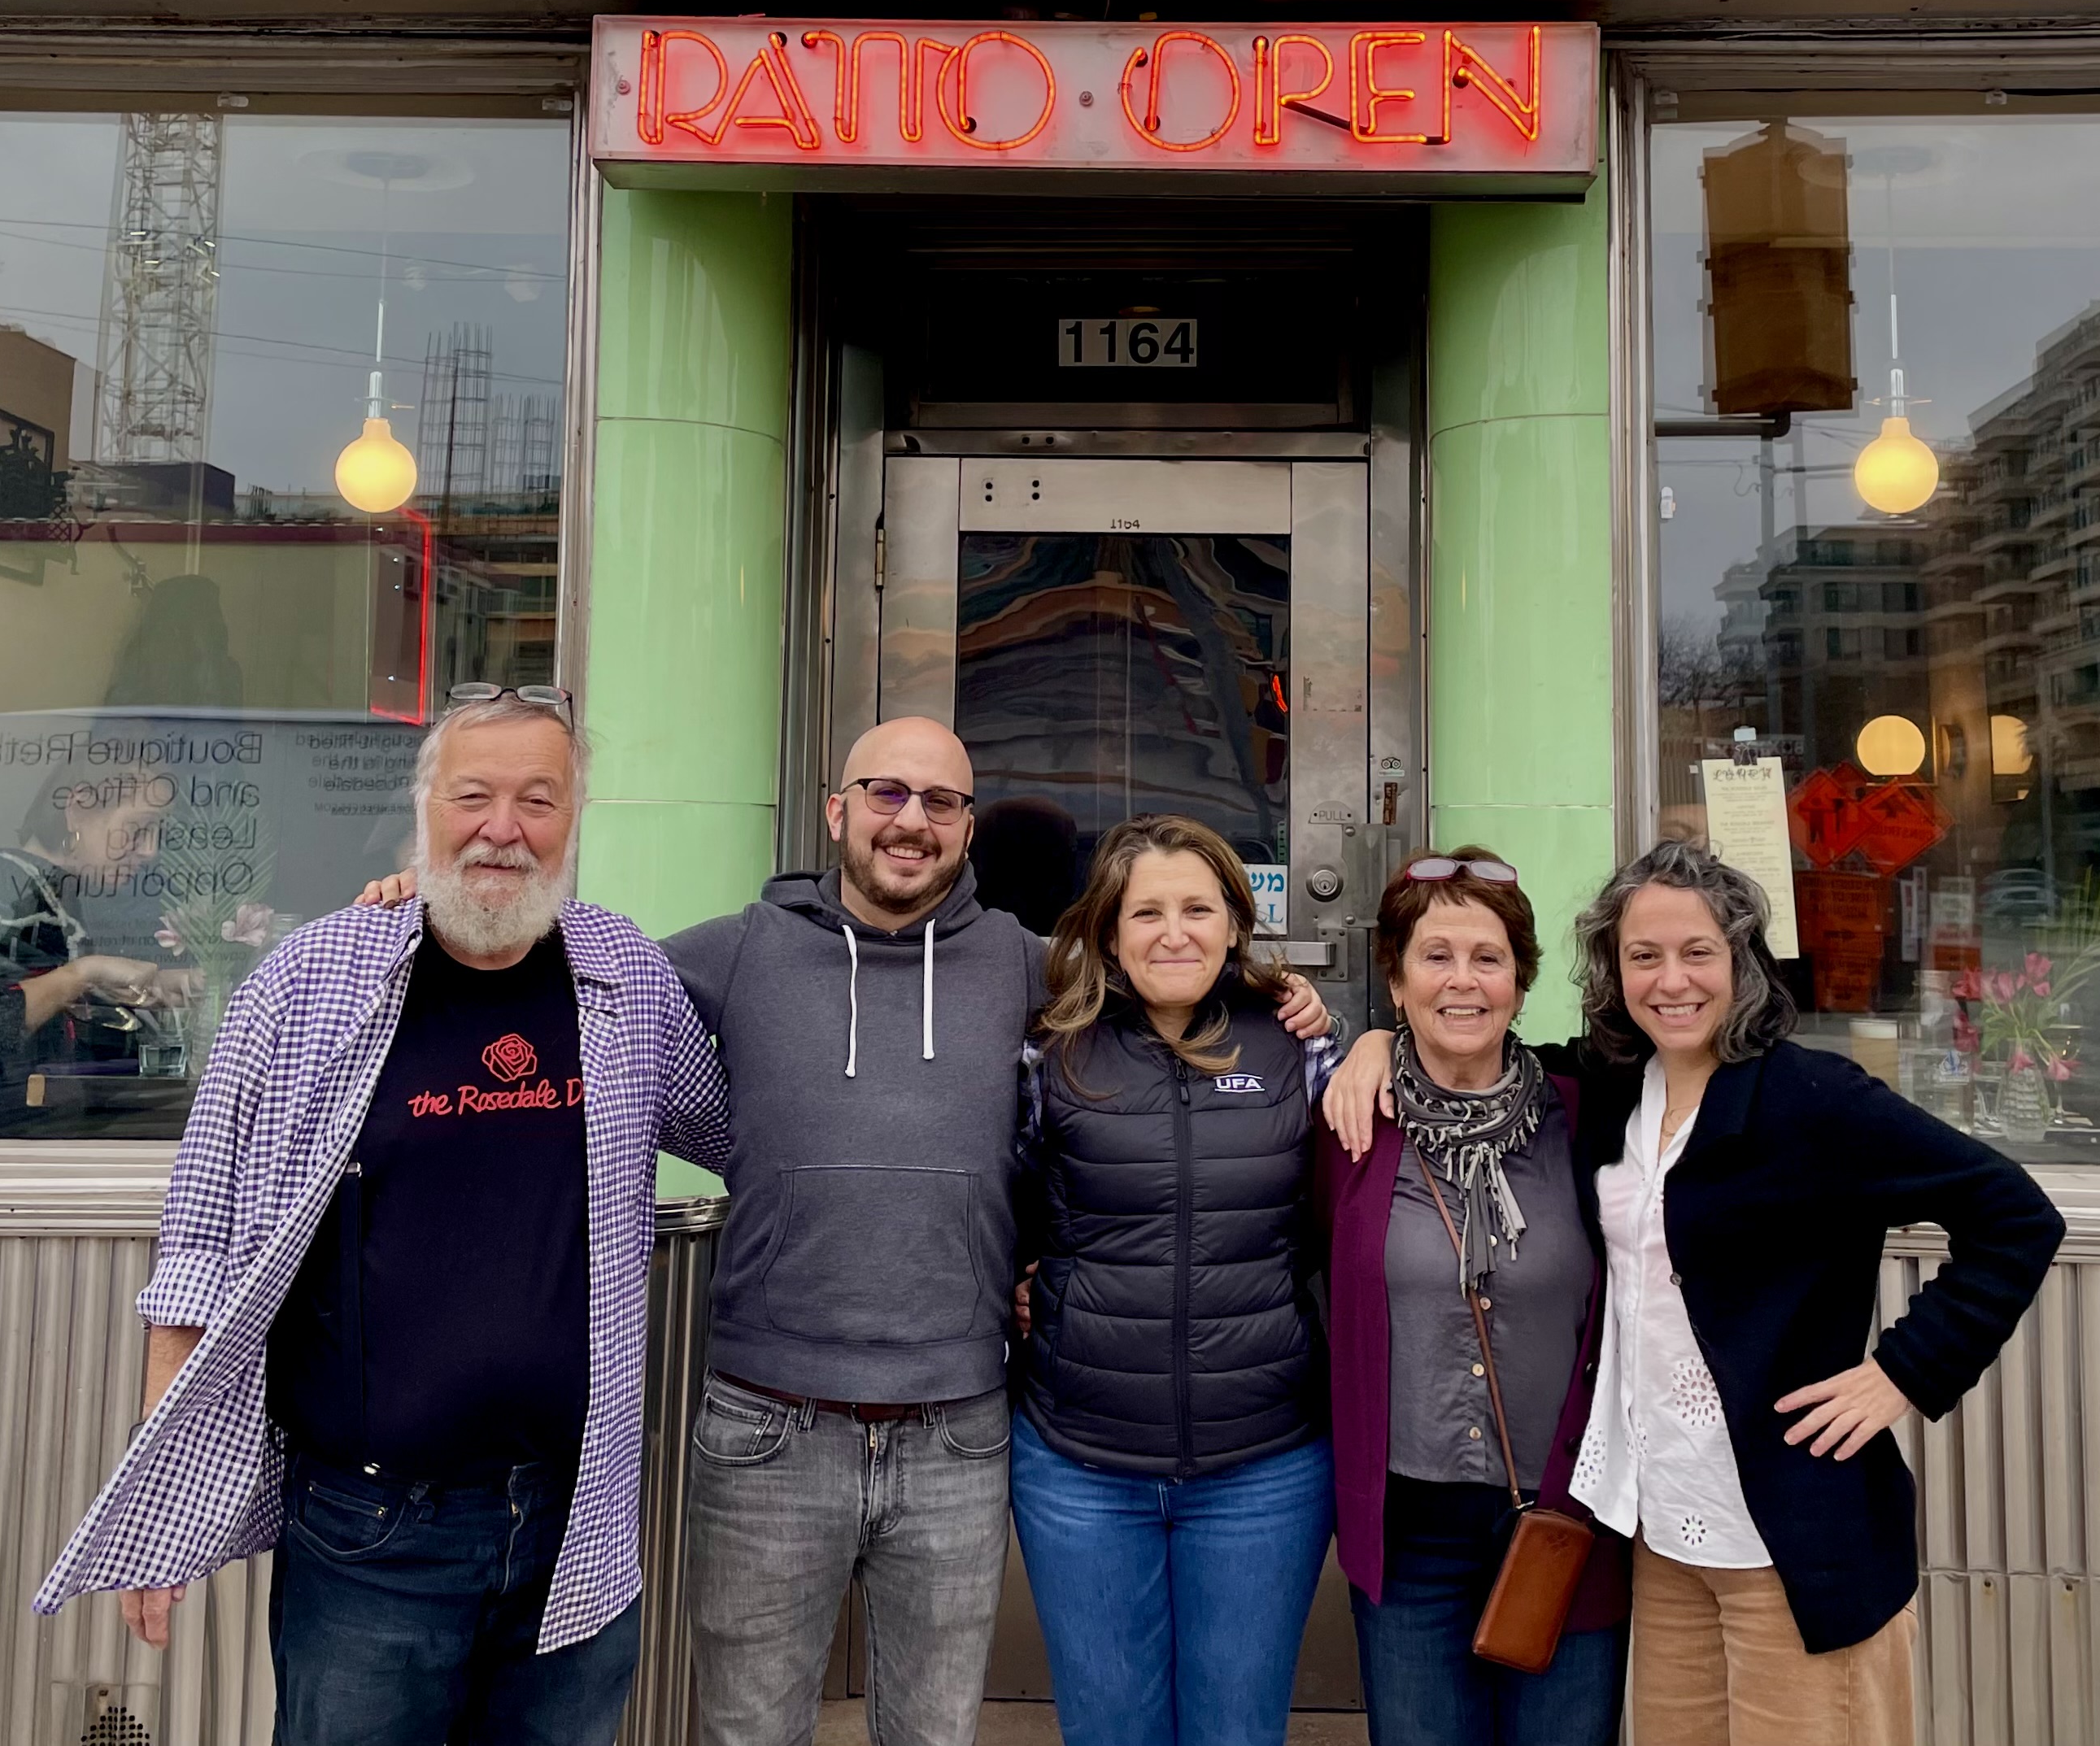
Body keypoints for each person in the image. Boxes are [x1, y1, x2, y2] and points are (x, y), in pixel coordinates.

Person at [357, 719, 1331, 1746]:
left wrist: (1297, 1004)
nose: (910, 821)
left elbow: (1162, 977)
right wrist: (409, 907)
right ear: (837, 810)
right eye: (885, 794)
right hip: (767, 1430)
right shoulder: (740, 949)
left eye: (940, 802)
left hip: (957, 1429)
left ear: (967, 829)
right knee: (750, 1730)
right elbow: (549, 957)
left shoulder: (1023, 965)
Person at [34, 686, 732, 1746]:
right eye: (475, 795)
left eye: (539, 800)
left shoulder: (621, 974)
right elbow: (201, 1239)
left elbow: (749, 1131)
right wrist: (159, 1499)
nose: (505, 827)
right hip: (371, 1540)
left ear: (574, 818)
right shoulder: (310, 980)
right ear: (424, 808)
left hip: (571, 1523)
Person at [1327, 839, 2063, 1746]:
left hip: (1786, 1541)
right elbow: (1463, 1046)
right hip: (1659, 1539)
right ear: (1613, 971)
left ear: (1740, 960)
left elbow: (2015, 1217)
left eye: (1697, 952)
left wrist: (1901, 1374)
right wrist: (1370, 1043)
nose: (1670, 980)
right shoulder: (1609, 1094)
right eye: (1644, 956)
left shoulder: (1808, 1099)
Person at [1011, 814, 1338, 1746]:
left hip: (1263, 1462)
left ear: (1236, 922)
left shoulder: (1298, 1050)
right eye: (1144, 911)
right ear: (1108, 932)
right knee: (1109, 1728)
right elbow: (1003, 1205)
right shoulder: (1050, 1055)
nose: (1172, 931)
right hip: (1080, 1462)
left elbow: (1345, 1217)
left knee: (1237, 1731)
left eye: (1197, 907)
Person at [1309, 850, 1626, 1746]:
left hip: (1566, 1517)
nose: (1462, 980)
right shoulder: (1348, 1125)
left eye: (1486, 958)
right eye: (1434, 955)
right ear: (1395, 978)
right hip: (1409, 1530)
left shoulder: (1587, 1115)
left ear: (1520, 983)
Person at [0, 767, 187, 1136]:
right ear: (79, 808)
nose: (151, 850)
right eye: (139, 828)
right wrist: (83, 975)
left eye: (158, 833)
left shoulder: (68, 894)